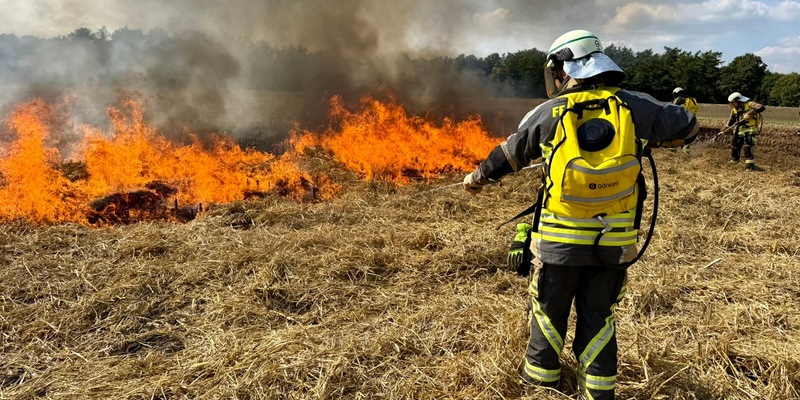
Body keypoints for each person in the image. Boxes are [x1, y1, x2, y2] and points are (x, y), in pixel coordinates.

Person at [462, 29, 698, 400]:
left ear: (563, 67)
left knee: (548, 316)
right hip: (614, 244)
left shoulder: (549, 112)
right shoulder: (634, 106)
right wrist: (646, 136)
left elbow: (507, 155)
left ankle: (542, 389)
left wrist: (476, 179)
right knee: (599, 319)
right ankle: (598, 394)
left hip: (558, 244)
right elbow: (688, 125)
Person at [723, 92, 765, 171]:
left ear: (738, 101)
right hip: (739, 130)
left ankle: (749, 166)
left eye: (733, 103)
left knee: (747, 146)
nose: (732, 105)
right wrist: (725, 129)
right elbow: (730, 122)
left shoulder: (749, 104)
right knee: (735, 145)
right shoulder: (734, 111)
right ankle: (734, 162)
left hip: (750, 129)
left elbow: (761, 107)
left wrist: (750, 112)